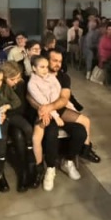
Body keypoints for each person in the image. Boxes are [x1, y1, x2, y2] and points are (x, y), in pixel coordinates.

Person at [26, 56, 84, 191]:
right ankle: (50, 169)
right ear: (34, 68)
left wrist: (55, 108)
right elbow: (41, 102)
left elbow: (58, 94)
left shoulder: (52, 77)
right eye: (41, 67)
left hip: (55, 109)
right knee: (51, 133)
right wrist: (54, 115)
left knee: (80, 131)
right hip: (44, 113)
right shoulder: (32, 83)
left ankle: (68, 161)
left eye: (46, 66)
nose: (46, 70)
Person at [45, 49, 99, 163]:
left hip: (60, 108)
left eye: (60, 61)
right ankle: (83, 150)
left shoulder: (64, 77)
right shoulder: (42, 74)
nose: (57, 64)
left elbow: (65, 98)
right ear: (47, 60)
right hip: (45, 108)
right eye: (54, 61)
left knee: (85, 121)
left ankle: (85, 150)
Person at [1, 62, 37, 192]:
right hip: (2, 120)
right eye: (12, 79)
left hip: (16, 118)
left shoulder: (20, 84)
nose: (16, 81)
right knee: (8, 136)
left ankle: (24, 171)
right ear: (4, 78)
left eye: (18, 77)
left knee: (19, 134)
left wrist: (9, 112)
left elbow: (21, 107)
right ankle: (21, 171)